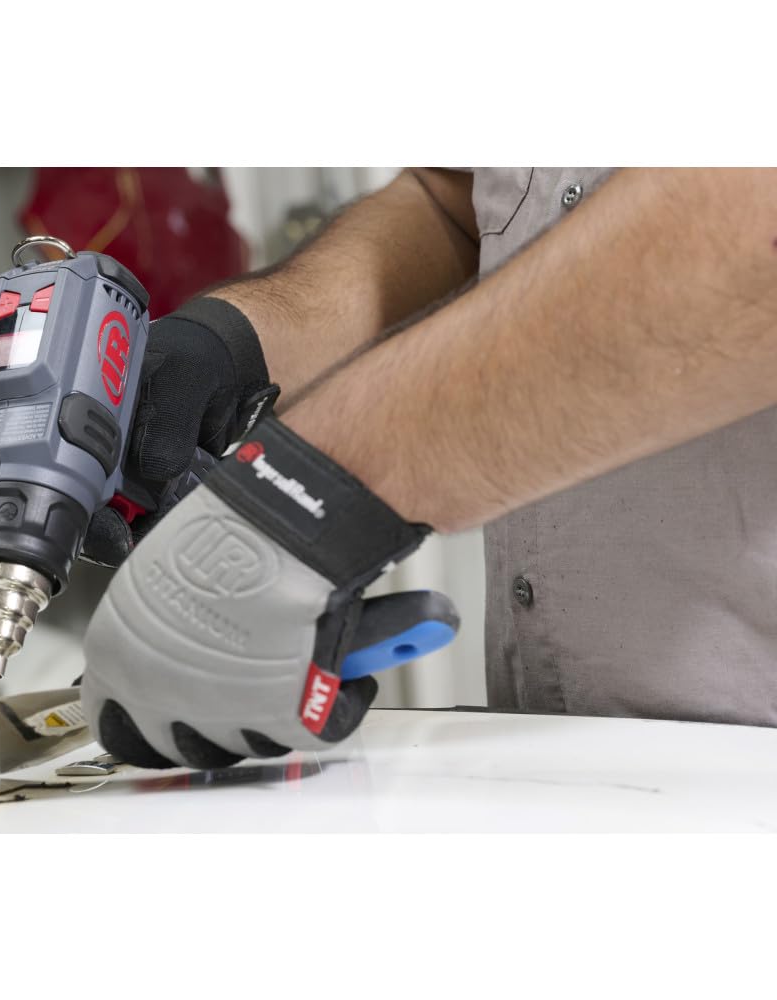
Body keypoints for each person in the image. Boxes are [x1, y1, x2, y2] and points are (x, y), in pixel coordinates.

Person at [80, 168, 777, 770]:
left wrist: (307, 495)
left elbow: (754, 236)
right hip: (545, 755)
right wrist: (234, 342)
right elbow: (455, 204)